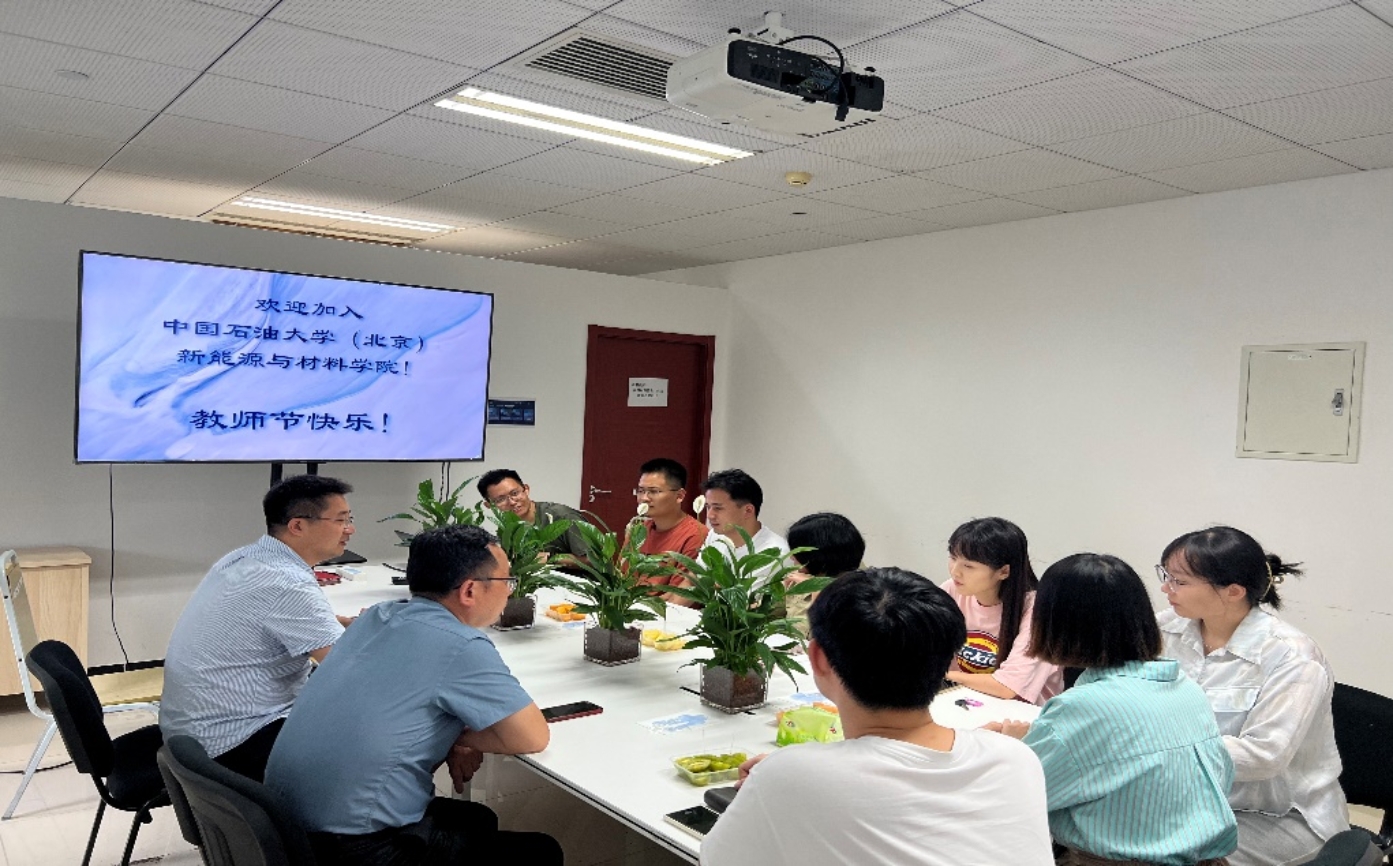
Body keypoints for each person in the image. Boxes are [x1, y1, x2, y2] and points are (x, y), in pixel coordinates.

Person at [701, 567, 1053, 866]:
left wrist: (789, 776)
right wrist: (801, 771)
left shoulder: (788, 776)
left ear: (818, 657)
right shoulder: (1017, 759)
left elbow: (716, 859)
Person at [265, 524, 563, 865]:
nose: (510, 591)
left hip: (285, 825)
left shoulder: (377, 616)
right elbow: (532, 736)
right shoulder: (461, 644)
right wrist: (461, 738)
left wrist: (452, 737)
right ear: (469, 590)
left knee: (477, 819)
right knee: (541, 851)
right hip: (356, 846)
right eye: (506, 581)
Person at [987, 553, 1237, 866]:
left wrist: (1012, 750)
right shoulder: (1186, 689)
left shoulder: (1083, 707)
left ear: (1054, 622)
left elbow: (1017, 796)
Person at [1158, 526, 1346, 866]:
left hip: (1277, 816)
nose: (1165, 589)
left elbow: (1264, 756)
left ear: (1233, 591)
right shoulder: (1166, 629)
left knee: (1159, 854)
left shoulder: (1292, 656)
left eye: (1179, 581)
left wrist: (1155, 747)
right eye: (1166, 576)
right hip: (1191, 799)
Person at [160, 474, 353, 781]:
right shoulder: (287, 582)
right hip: (234, 743)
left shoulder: (244, 558)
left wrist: (340, 622)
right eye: (341, 520)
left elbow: (275, 619)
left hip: (191, 736)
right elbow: (349, 669)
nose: (349, 529)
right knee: (373, 728)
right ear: (298, 526)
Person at [941, 517, 1062, 705]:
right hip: (965, 700)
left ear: (1003, 572)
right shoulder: (952, 589)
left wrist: (945, 674)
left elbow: (1007, 687)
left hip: (1022, 713)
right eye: (953, 558)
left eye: (969, 566)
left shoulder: (1038, 610)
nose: (955, 571)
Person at [629, 457, 706, 604]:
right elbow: (623, 578)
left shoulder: (696, 535)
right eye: (640, 491)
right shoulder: (638, 529)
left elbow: (675, 596)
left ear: (680, 496)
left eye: (653, 491)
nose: (644, 498)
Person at [781, 512, 865, 635]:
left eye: (798, 552)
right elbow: (765, 613)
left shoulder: (862, 591)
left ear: (817, 557)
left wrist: (817, 589)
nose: (792, 557)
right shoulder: (800, 574)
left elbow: (830, 640)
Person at [476, 468, 587, 559]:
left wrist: (550, 558)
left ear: (526, 489)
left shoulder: (564, 516)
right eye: (500, 500)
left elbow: (593, 560)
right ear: (489, 505)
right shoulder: (507, 526)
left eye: (515, 493)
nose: (512, 502)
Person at [698, 469, 789, 570]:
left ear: (748, 511)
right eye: (708, 507)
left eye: (718, 508)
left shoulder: (775, 553)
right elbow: (695, 575)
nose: (710, 515)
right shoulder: (715, 535)